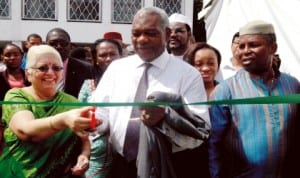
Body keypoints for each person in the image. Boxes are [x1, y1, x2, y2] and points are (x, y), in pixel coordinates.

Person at [91, 7, 210, 178]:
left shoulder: (189, 75)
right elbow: (102, 112)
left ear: (167, 34)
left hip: (168, 164)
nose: (142, 40)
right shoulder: (117, 69)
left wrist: (166, 119)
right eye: (136, 33)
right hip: (121, 165)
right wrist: (94, 122)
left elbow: (199, 130)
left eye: (151, 33)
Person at [208, 20, 300, 178]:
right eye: (241, 46)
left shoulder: (292, 85)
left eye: (253, 45)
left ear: (273, 48)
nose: (245, 51)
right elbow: (213, 144)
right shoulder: (226, 90)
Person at [0, 45, 99, 177]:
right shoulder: (16, 96)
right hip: (16, 173)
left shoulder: (72, 102)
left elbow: (84, 140)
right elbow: (25, 131)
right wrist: (64, 119)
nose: (51, 73)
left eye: (57, 68)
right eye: (42, 68)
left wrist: (84, 156)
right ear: (28, 73)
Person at [79, 38, 122, 178]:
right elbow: (80, 118)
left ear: (121, 56)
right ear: (96, 59)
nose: (108, 58)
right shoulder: (88, 85)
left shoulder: (131, 83)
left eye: (113, 54)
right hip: (97, 153)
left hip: (125, 153)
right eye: (103, 55)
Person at [46, 28, 94, 97]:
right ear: (45, 45)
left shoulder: (86, 69)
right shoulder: (36, 67)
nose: (59, 46)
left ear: (70, 46)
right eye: (53, 43)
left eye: (63, 43)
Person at [0, 43, 30, 118]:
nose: (12, 58)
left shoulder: (30, 77)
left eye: (16, 55)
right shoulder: (0, 77)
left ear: (22, 56)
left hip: (28, 117)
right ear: (2, 58)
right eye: (8, 55)